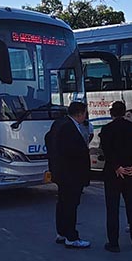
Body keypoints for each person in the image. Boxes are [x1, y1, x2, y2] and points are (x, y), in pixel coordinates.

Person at [98, 100, 132, 253]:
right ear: (124, 111)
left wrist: (116, 166)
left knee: (112, 209)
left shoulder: (107, 129)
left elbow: (106, 151)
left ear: (111, 113)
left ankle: (113, 243)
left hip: (113, 174)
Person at [46, 101, 92, 249]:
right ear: (79, 113)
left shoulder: (59, 123)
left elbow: (48, 139)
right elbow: (72, 151)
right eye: (85, 113)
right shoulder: (69, 128)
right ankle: (71, 237)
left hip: (61, 172)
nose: (85, 116)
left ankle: (62, 232)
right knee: (70, 205)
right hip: (71, 173)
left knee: (63, 203)